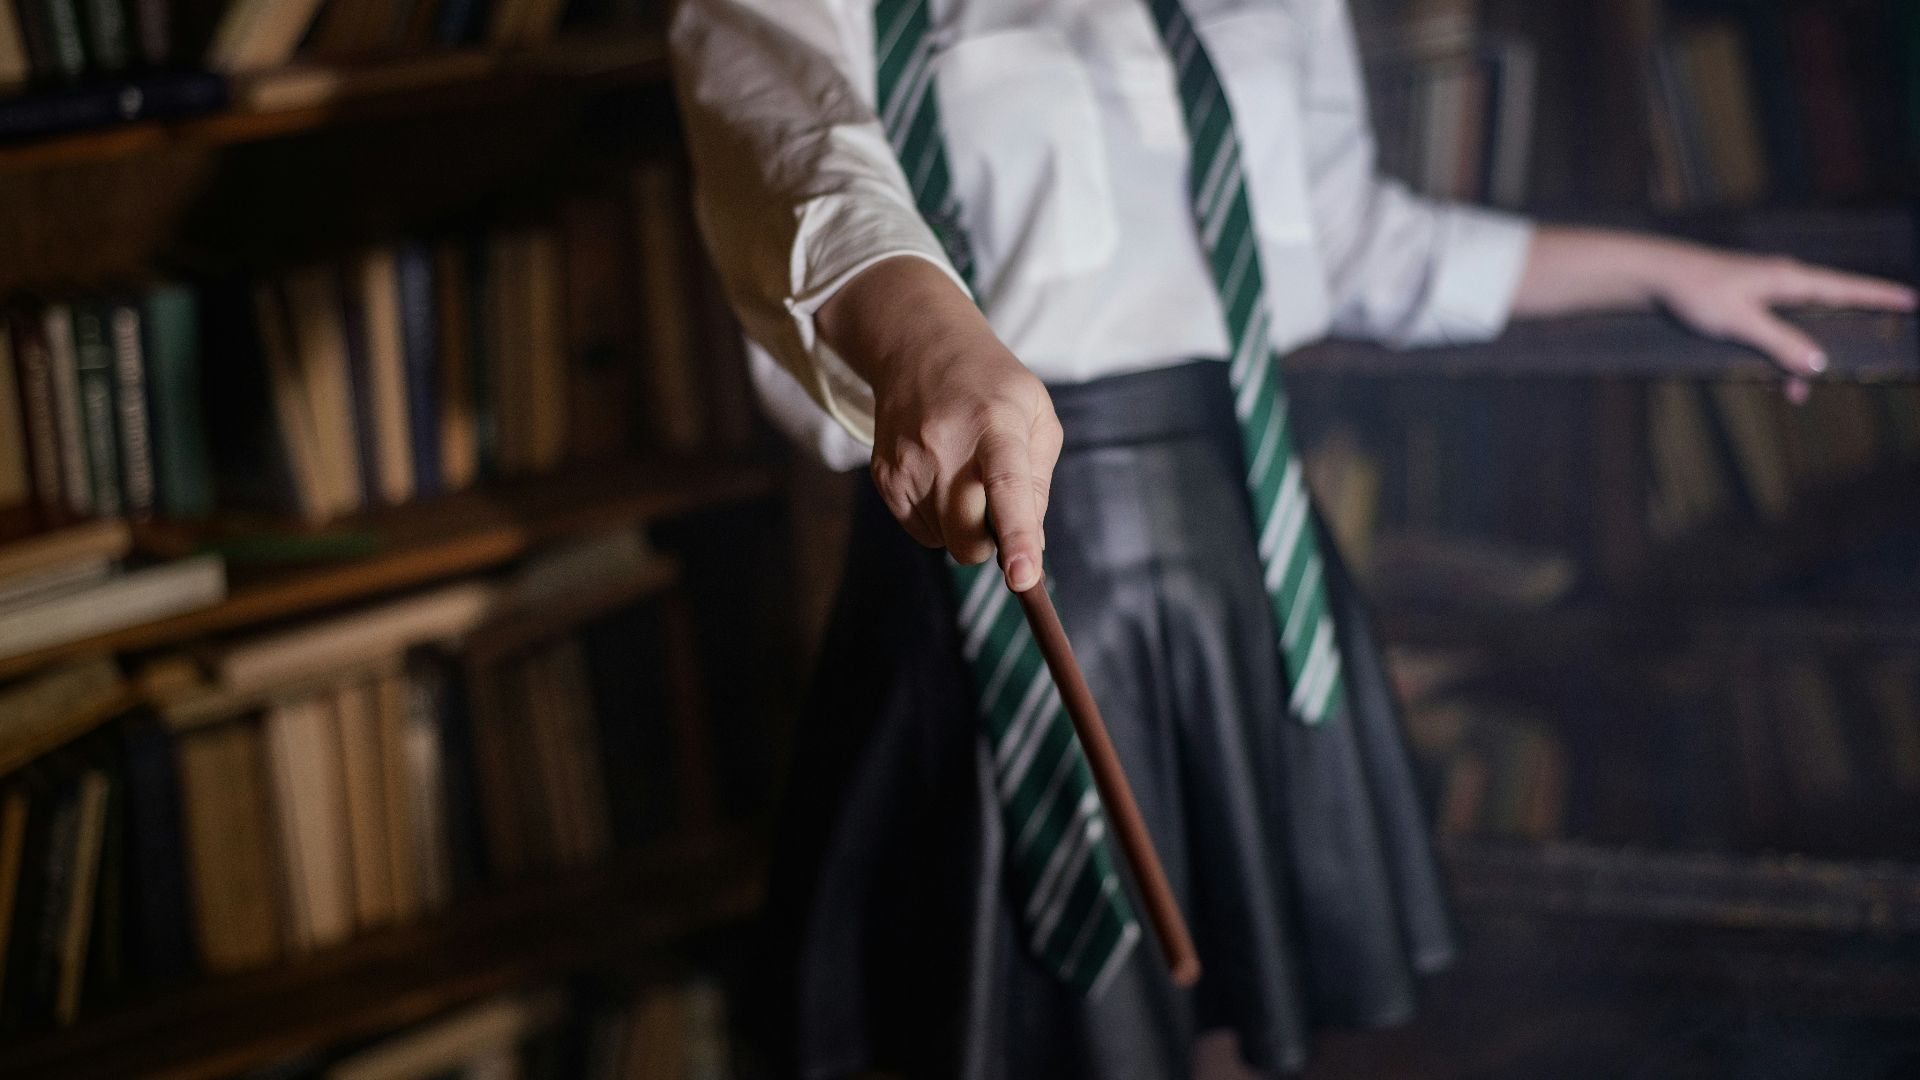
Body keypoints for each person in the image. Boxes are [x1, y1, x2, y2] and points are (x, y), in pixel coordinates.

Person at [670, 1, 1917, 1077]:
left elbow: (1355, 238)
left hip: (1244, 553)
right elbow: (796, 159)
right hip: (988, 551)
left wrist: (1659, 272)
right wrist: (928, 338)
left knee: (1240, 1017)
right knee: (1022, 1028)